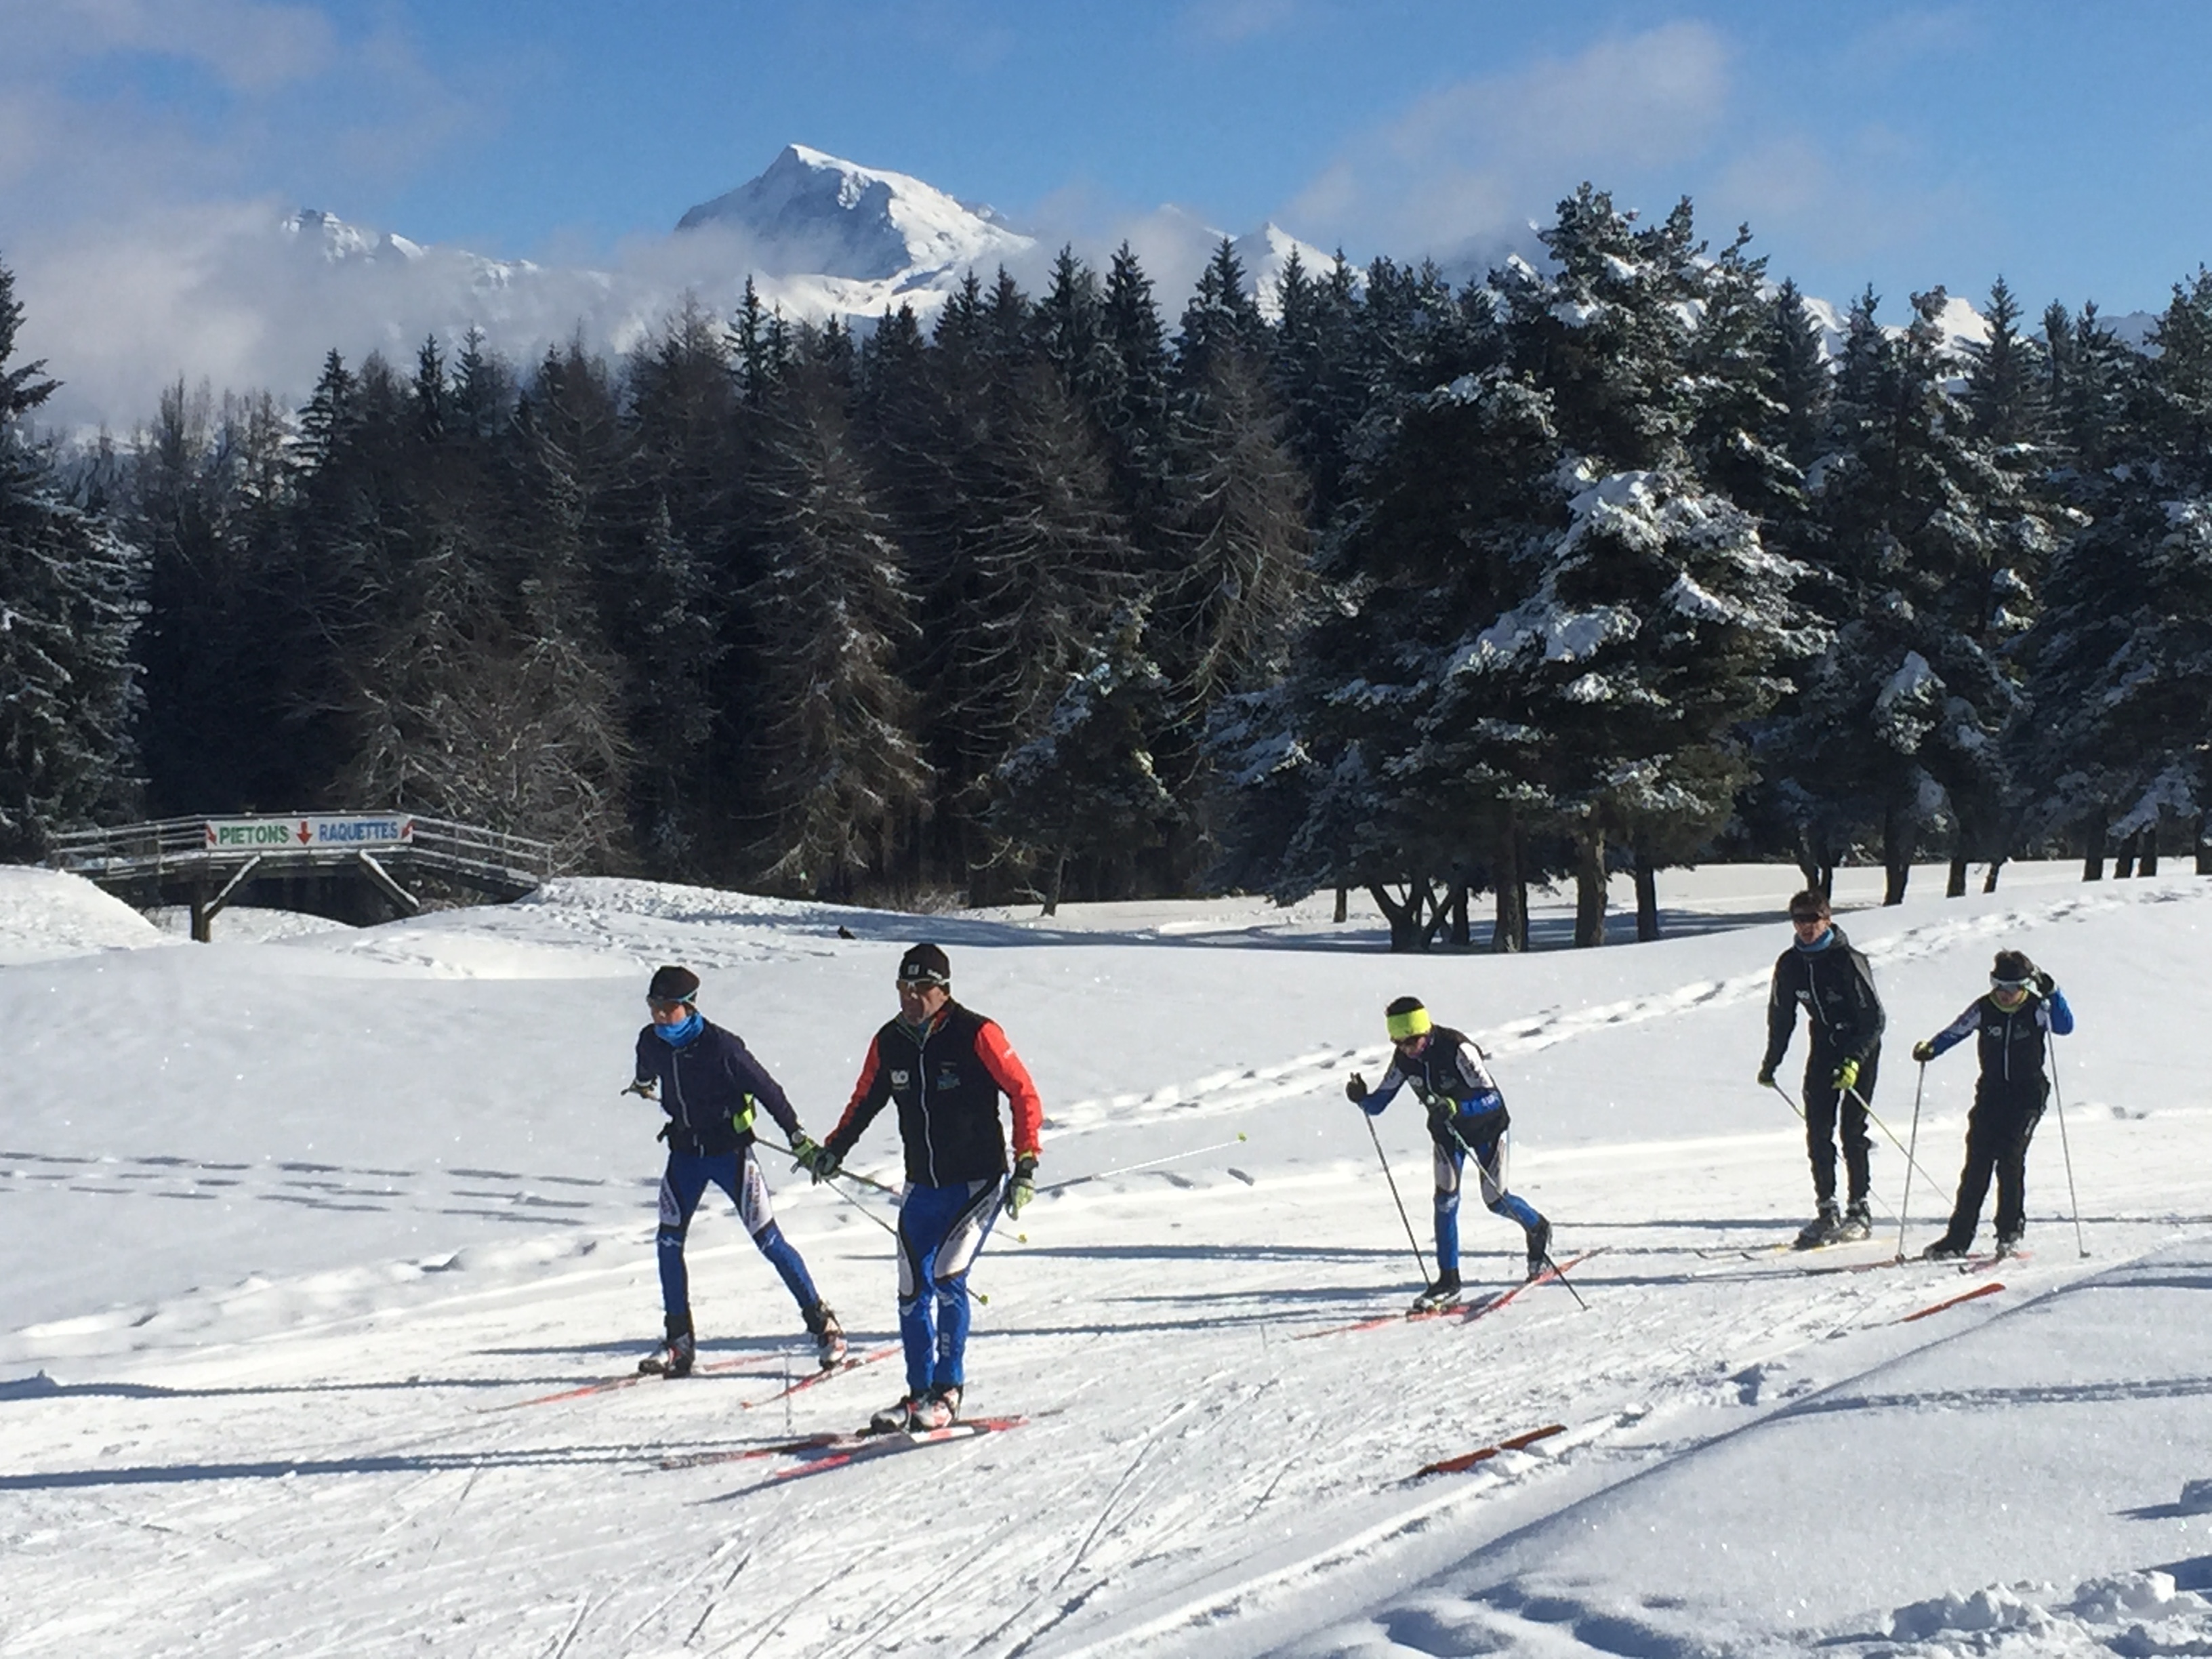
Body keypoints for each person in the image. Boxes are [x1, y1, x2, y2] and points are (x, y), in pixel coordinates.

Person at [798, 943, 1043, 1433]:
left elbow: (1022, 1092)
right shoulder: (890, 1041)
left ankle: (948, 1389)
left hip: (977, 1181)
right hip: (923, 1186)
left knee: (949, 1279)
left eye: (921, 989)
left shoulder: (978, 1033)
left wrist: (1026, 1161)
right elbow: (864, 1099)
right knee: (912, 1291)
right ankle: (917, 1394)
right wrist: (834, 1149)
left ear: (943, 990)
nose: (911, 999)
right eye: (903, 989)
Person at [625, 964, 845, 1378]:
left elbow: (768, 1090)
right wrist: (641, 1083)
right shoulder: (650, 1041)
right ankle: (679, 1342)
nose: (658, 1016)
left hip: (731, 1153)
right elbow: (645, 1066)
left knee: (768, 1240)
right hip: (685, 1153)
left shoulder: (722, 1047)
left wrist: (798, 1136)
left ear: (689, 1007)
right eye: (653, 1006)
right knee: (668, 1242)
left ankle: (825, 1326)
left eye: (667, 1008)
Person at [1345, 996, 1553, 1311]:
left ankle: (1537, 1227)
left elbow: (1491, 1098)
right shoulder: (1404, 1060)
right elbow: (1379, 1104)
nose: (1406, 1049)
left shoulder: (1457, 1049)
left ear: (1425, 1032)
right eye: (1398, 1042)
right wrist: (1361, 1098)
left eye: (1411, 1041)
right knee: (1445, 1202)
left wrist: (1457, 1106)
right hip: (1447, 1134)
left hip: (1488, 1128)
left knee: (1496, 1200)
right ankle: (1448, 1280)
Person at [1910, 949, 2075, 1261]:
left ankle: (2009, 1232)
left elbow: (2064, 1027)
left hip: (2028, 1096)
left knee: (2010, 1158)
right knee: (1977, 1164)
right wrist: (1931, 1048)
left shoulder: (2037, 1008)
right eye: (1998, 985)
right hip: (1991, 1094)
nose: (2005, 993)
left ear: (2025, 985)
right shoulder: (1984, 1008)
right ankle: (1958, 1238)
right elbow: (1955, 1031)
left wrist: (2053, 991)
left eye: (2012, 987)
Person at [1757, 890, 1886, 1248]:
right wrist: (1772, 1061)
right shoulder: (1790, 964)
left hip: (1859, 1047)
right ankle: (1826, 1208)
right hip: (1824, 1049)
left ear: (1826, 919)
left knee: (1851, 1129)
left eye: (1813, 918)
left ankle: (1859, 1208)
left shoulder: (1847, 960)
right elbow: (1782, 1015)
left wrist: (1855, 1059)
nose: (1806, 926)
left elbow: (1875, 1018)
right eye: (1799, 919)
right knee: (1817, 1130)